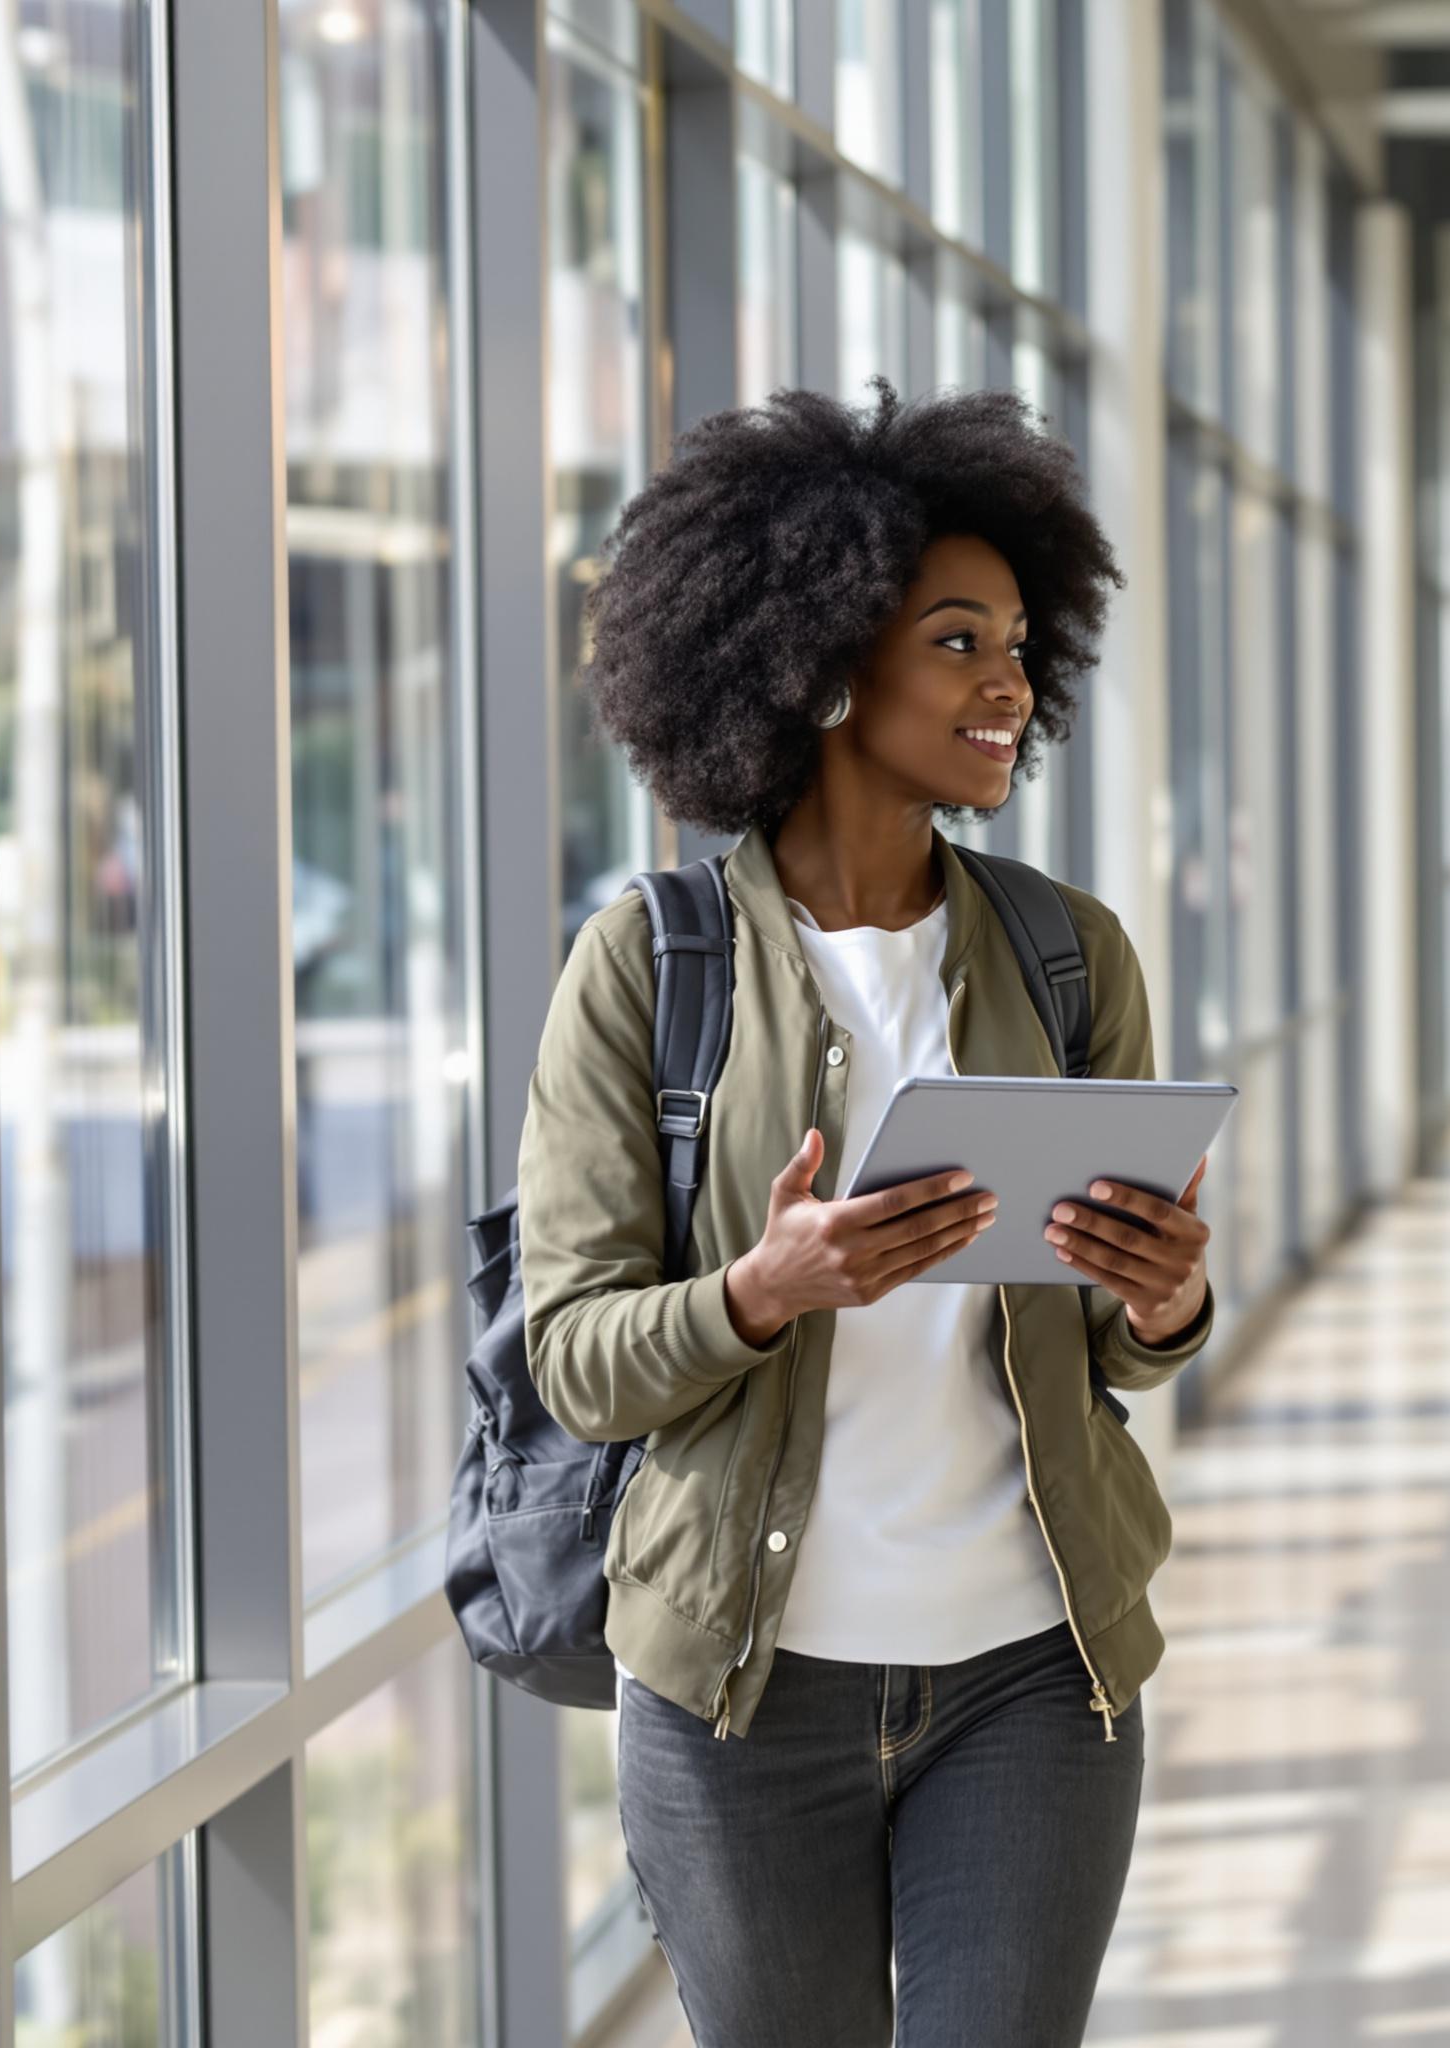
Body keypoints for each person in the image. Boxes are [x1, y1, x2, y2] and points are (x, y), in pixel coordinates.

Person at [516, 380, 1217, 2048]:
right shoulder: (651, 966)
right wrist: (756, 1292)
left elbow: (1121, 1355)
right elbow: (572, 1359)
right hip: (741, 1693)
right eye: (958, 640)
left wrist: (1165, 1297)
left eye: (1020, 645)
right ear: (827, 662)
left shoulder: (1066, 954)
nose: (1010, 682)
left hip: (1032, 1667)